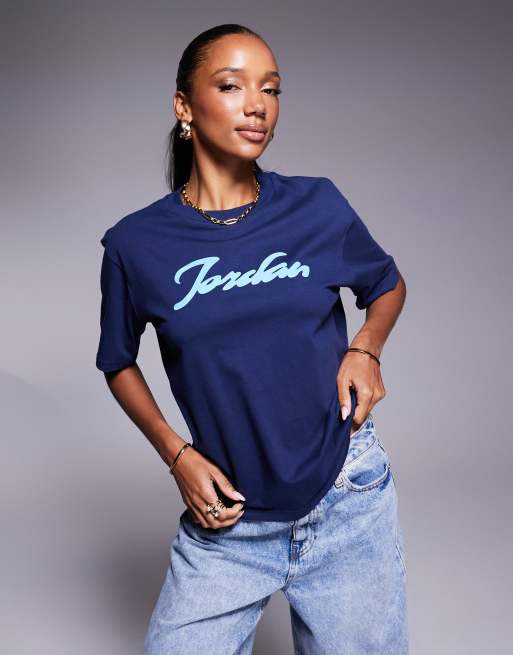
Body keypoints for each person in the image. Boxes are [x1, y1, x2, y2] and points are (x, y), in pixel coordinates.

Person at [95, 23, 409, 655]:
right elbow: (117, 361)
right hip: (229, 521)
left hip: (346, 493)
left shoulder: (316, 206)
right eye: (231, 86)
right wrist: (177, 456)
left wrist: (366, 348)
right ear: (184, 106)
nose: (257, 105)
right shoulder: (136, 244)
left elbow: (386, 284)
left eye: (271, 89)